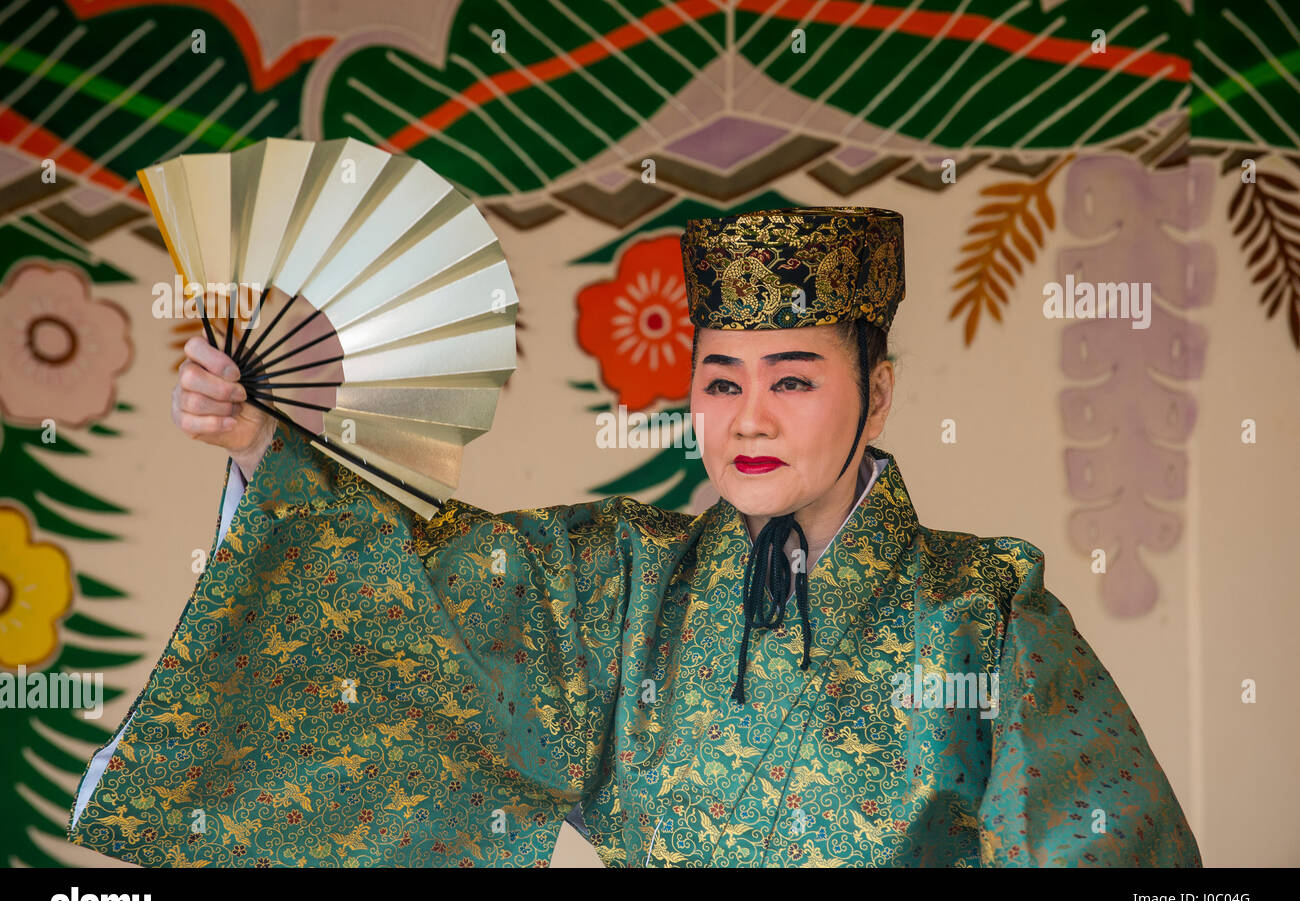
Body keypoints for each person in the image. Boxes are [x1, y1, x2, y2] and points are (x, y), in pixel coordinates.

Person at [67, 207, 1201, 866]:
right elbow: (443, 604)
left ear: (880, 392)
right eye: (720, 381)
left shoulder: (982, 611)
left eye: (794, 379)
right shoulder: (626, 580)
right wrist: (271, 448)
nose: (748, 418)